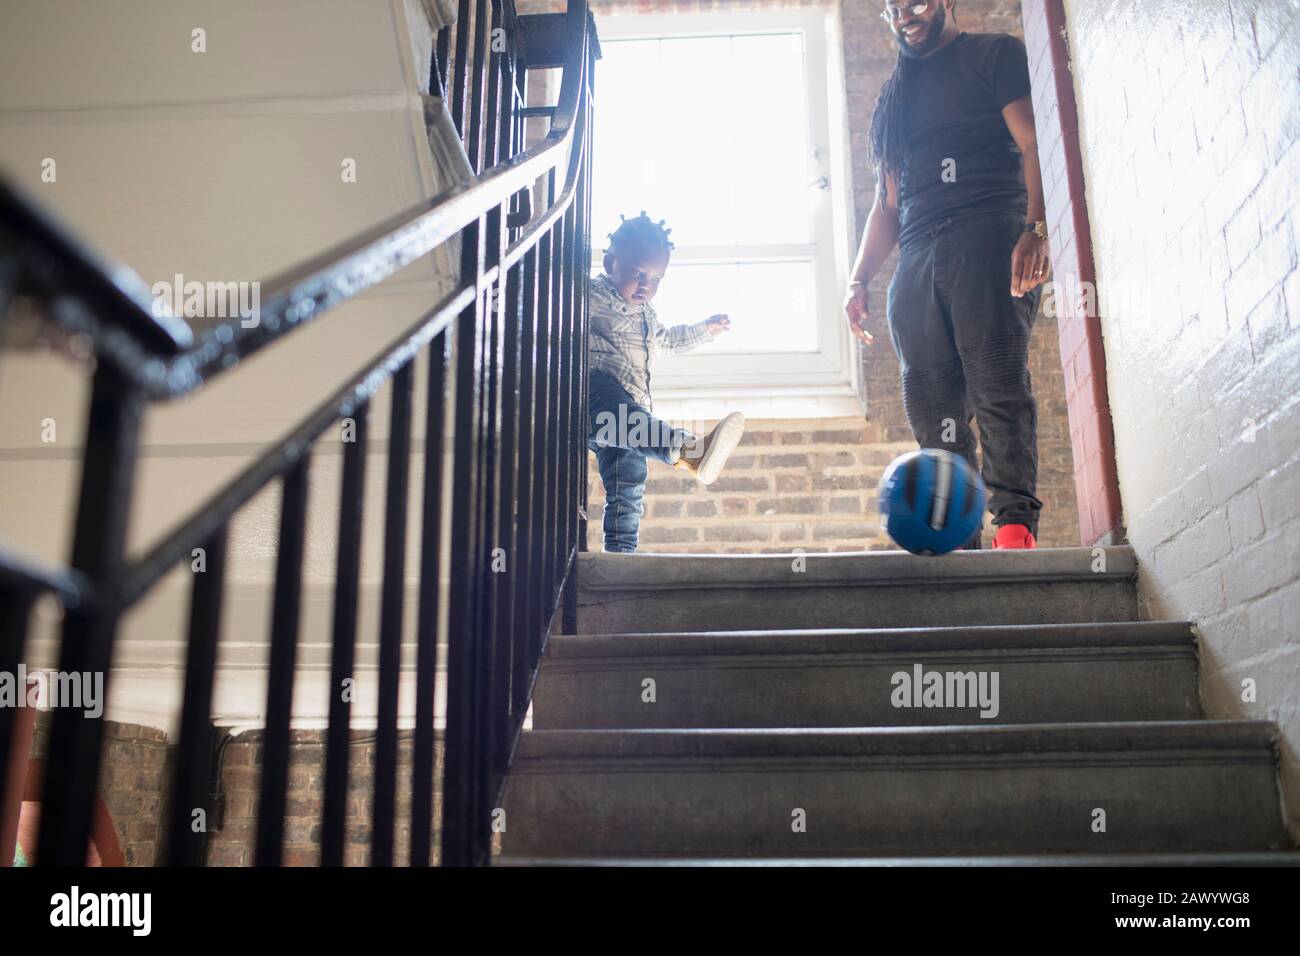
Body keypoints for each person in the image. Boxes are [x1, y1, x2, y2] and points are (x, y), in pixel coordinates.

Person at [845, 0, 1051, 549]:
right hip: (915, 256)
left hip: (986, 231)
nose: (903, 14)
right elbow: (887, 205)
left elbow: (1035, 144)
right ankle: (960, 539)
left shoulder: (994, 54)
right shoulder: (894, 96)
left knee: (997, 384)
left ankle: (1013, 531)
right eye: (892, 8)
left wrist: (1037, 229)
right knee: (933, 404)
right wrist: (859, 278)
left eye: (914, 3)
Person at [587, 213, 746, 553]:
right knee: (627, 420)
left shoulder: (648, 314)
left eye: (656, 278)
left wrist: (705, 329)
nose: (646, 285)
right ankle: (689, 450)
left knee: (628, 488)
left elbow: (669, 341)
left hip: (631, 411)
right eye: (638, 273)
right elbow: (549, 303)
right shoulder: (590, 295)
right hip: (595, 393)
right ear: (611, 262)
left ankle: (621, 557)